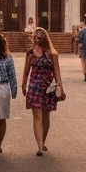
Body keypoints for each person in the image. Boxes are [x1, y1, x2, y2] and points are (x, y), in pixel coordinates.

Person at [22, 27, 64, 156]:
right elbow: (26, 70)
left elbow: (57, 71)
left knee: (46, 116)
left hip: (48, 88)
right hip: (34, 87)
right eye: (35, 37)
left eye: (39, 37)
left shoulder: (52, 54)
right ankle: (40, 147)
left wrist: (60, 88)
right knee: (37, 115)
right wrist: (23, 85)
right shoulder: (30, 53)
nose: (37, 40)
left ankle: (42, 141)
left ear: (45, 38)